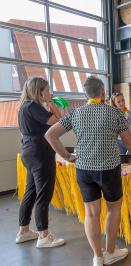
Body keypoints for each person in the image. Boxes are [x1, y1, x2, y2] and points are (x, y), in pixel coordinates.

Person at [45, 76, 131, 266]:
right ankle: (111, 251)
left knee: (91, 213)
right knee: (113, 209)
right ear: (103, 92)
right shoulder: (114, 113)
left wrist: (67, 156)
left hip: (84, 170)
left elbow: (50, 135)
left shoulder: (76, 113)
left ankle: (98, 257)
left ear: (86, 93)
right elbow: (130, 143)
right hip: (108, 169)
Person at [17, 77, 66, 248]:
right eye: (47, 90)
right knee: (43, 194)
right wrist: (51, 102)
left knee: (30, 191)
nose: (49, 92)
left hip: (29, 152)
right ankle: (43, 235)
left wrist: (49, 102)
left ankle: (23, 230)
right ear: (40, 92)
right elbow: (59, 122)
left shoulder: (24, 107)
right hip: (40, 154)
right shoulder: (33, 107)